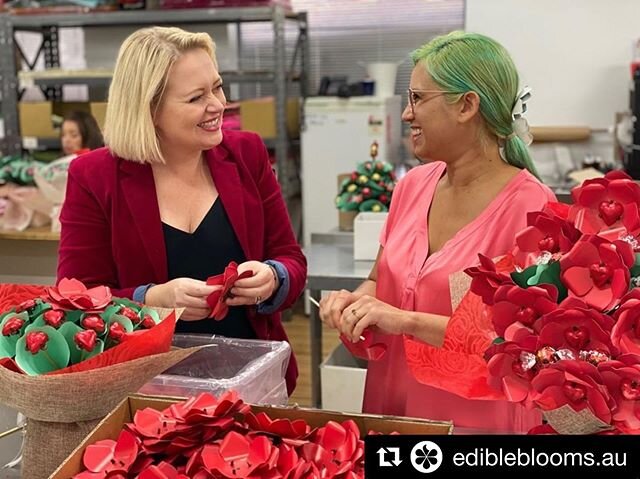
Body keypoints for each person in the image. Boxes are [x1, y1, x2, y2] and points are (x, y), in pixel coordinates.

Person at [319, 31, 556, 432]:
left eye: (417, 98)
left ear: (466, 105)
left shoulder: (533, 209)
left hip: (473, 422)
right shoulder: (413, 186)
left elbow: (521, 344)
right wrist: (356, 304)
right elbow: (380, 279)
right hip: (392, 405)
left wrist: (404, 321)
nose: (407, 114)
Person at [57, 27, 306, 394]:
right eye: (195, 98)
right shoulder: (94, 176)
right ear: (150, 109)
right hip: (143, 390)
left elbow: (291, 259)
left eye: (217, 87)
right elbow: (75, 302)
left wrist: (274, 277)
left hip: (249, 381)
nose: (218, 105)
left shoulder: (247, 154)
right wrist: (151, 300)